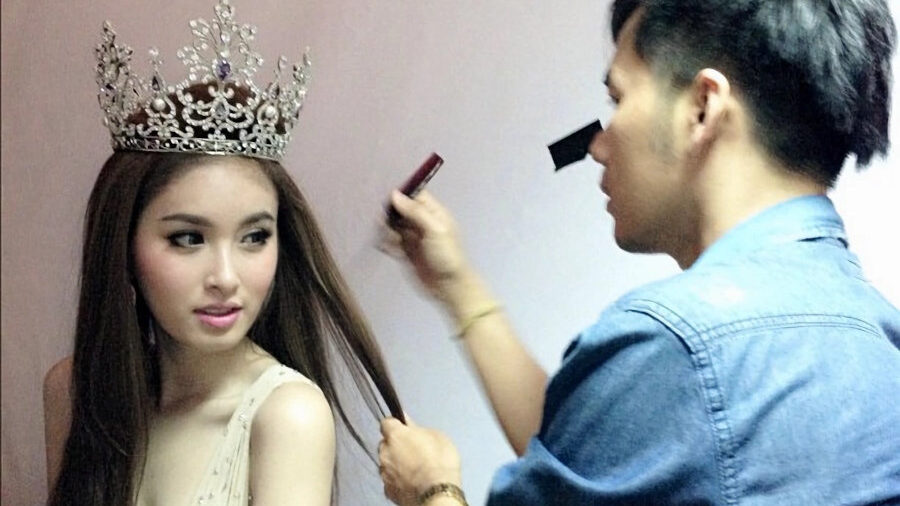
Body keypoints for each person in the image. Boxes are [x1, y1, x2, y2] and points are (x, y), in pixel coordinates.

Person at [377, 0, 900, 504]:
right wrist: (458, 285)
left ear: (702, 108)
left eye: (618, 100)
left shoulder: (678, 343)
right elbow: (593, 459)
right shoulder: (877, 336)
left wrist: (431, 488)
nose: (599, 146)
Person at [42, 1, 403, 505]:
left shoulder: (286, 416)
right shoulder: (73, 390)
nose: (226, 277)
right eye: (188, 238)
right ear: (122, 244)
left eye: (254, 237)